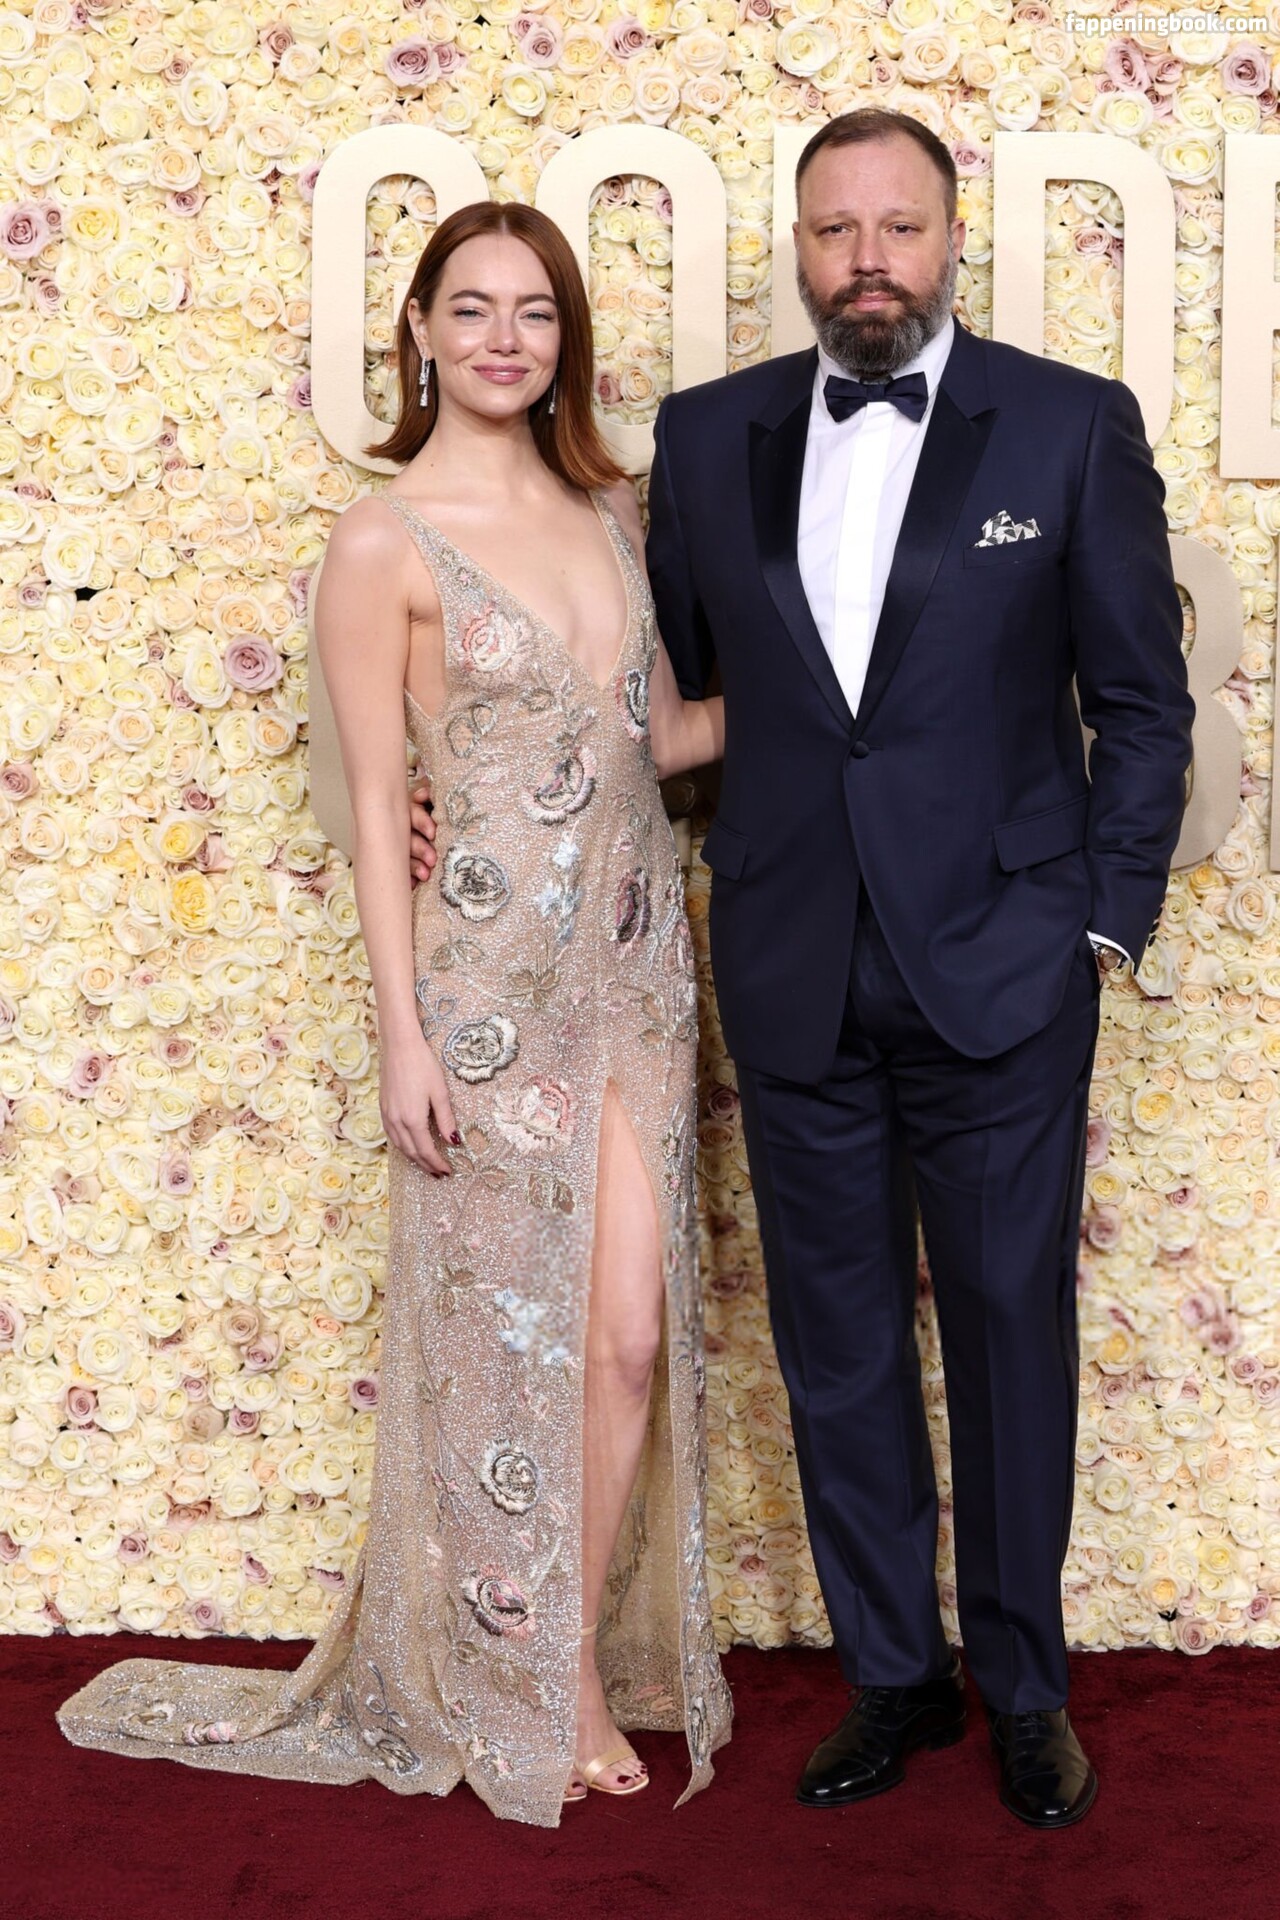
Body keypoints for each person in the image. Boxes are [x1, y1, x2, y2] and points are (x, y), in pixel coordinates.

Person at [410, 110, 1197, 1831]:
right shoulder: (710, 437)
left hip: (1004, 971)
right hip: (791, 962)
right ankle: (892, 1678)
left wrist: (1099, 921)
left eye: (899, 227)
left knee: (1009, 1332)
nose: (868, 260)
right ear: (799, 246)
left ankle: (1027, 1693)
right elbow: (658, 697)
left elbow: (1142, 702)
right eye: (837, 230)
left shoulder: (1068, 426)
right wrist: (455, 796)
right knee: (835, 1345)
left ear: (951, 239)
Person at [57, 201, 731, 1827]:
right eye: (472, 309)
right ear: (420, 332)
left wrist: (874, 678)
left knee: (628, 1339)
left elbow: (654, 742)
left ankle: (557, 1650)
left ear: (566, 339)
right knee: (510, 1350)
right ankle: (550, 1684)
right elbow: (375, 808)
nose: (505, 339)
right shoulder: (381, 541)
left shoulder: (613, 512)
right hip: (485, 1002)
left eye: (536, 313)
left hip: (639, 978)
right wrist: (403, 1039)